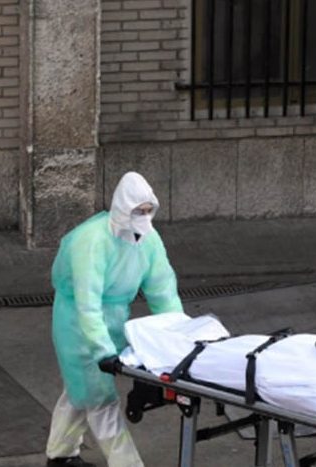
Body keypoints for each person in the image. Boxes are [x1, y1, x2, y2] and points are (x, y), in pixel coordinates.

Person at [45, 172, 185, 467]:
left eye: (148, 210)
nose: (144, 217)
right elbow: (87, 303)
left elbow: (162, 289)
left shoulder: (148, 240)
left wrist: (180, 334)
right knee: (100, 398)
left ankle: (60, 454)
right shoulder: (92, 241)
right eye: (138, 211)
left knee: (79, 387)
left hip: (115, 317)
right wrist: (101, 350)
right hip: (76, 323)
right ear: (123, 208)